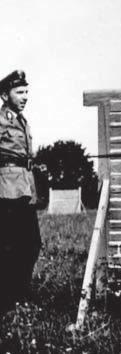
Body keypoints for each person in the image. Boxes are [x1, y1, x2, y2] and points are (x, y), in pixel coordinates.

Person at [0, 70, 41, 310]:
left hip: (24, 187)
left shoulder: (22, 120)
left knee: (31, 244)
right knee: (9, 245)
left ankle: (17, 295)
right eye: (20, 92)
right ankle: (7, 300)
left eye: (27, 92)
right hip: (5, 189)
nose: (25, 96)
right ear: (5, 94)